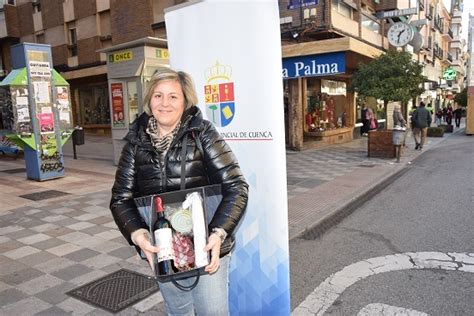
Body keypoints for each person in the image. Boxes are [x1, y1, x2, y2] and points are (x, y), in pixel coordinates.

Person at [110, 67, 249, 315]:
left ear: (185, 101)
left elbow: (236, 187)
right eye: (158, 95)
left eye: (173, 96)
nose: (165, 103)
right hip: (163, 250)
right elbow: (121, 199)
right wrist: (138, 235)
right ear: (149, 100)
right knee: (179, 312)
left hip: (206, 247)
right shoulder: (135, 142)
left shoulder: (202, 133)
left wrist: (218, 234)